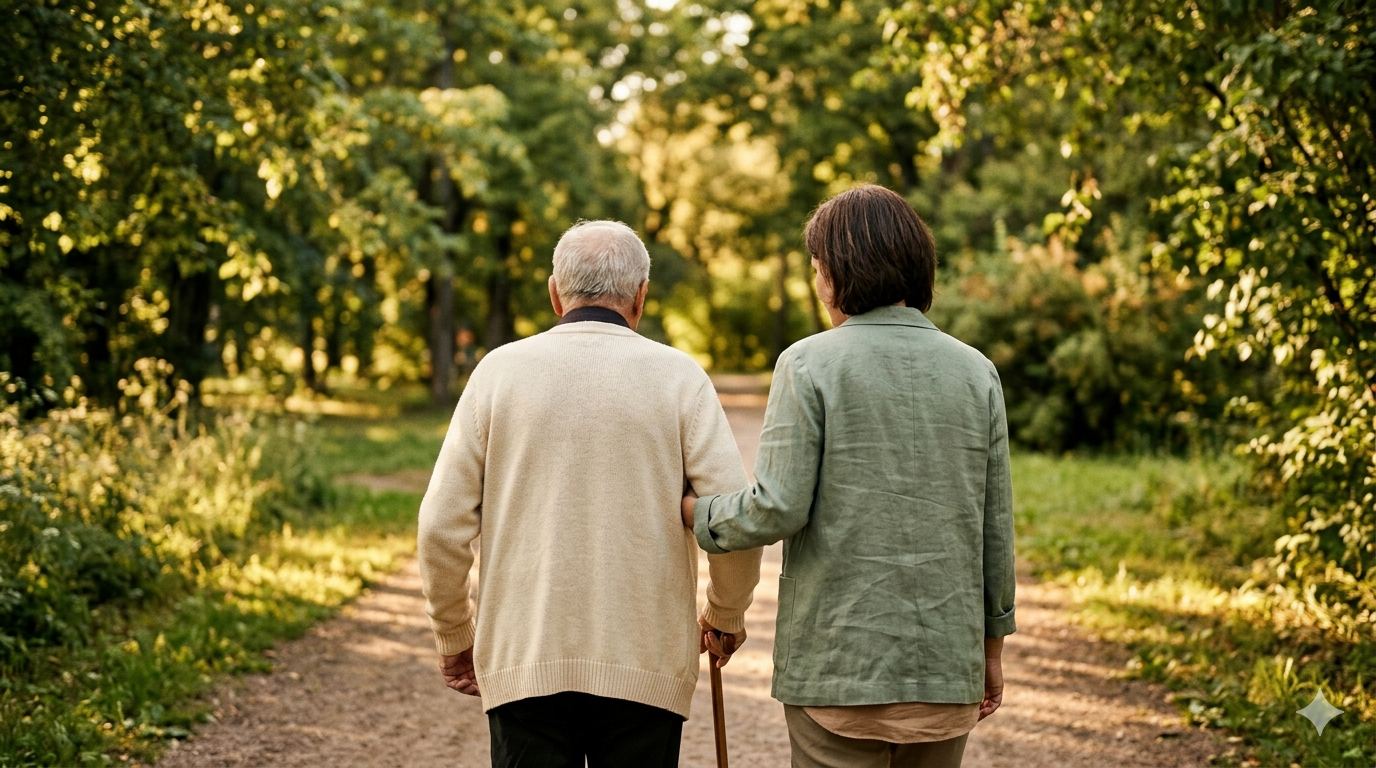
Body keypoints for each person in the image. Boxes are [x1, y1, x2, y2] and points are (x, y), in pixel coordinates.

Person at [683, 185, 1017, 768]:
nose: (818, 285)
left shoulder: (808, 364)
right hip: (946, 666)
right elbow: (995, 530)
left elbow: (777, 506)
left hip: (837, 667)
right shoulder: (978, 372)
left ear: (837, 273)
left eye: (818, 269)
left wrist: (696, 512)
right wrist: (990, 651)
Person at [416, 220, 761, 767]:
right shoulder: (680, 378)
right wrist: (726, 613)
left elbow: (440, 525)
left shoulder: (497, 374)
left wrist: (454, 632)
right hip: (645, 667)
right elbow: (735, 519)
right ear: (641, 296)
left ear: (555, 293)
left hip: (526, 662)